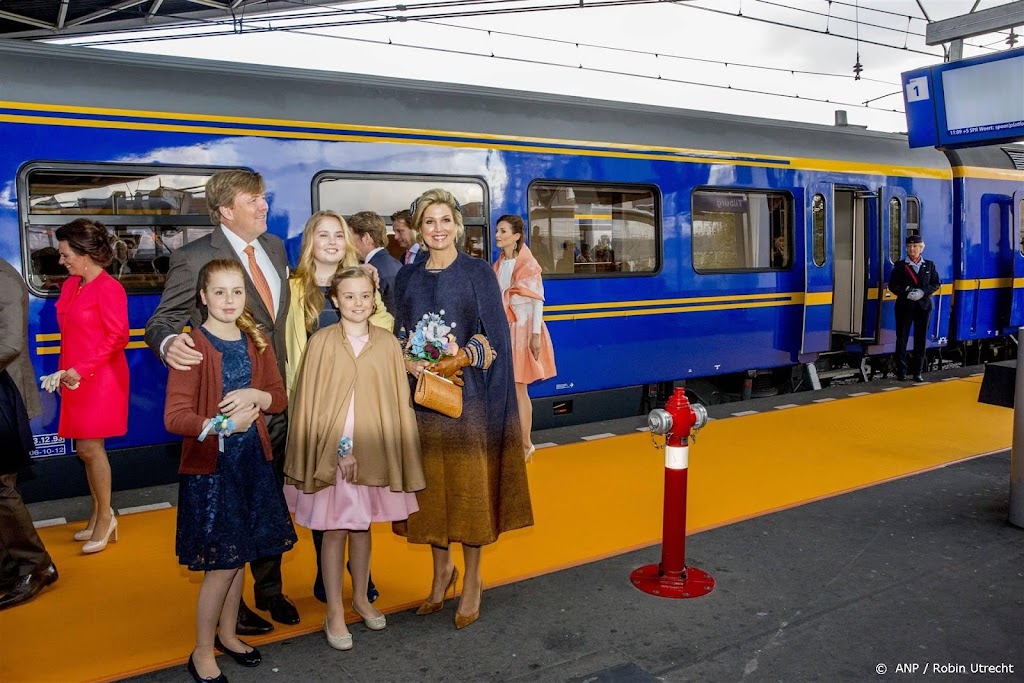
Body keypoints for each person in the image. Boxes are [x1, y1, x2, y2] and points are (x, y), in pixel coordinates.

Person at [145, 169, 297, 634]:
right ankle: (235, 607)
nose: (264, 206)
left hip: (270, 398)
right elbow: (162, 320)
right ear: (226, 209)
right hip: (226, 413)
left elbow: (277, 322)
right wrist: (168, 343)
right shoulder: (193, 257)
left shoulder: (274, 247)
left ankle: (269, 589)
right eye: (254, 199)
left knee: (267, 497)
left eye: (263, 197)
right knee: (229, 510)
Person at [395, 189, 533, 629]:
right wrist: (410, 361)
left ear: (457, 226)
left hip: (469, 401)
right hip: (422, 402)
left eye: (445, 220)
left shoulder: (477, 273)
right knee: (431, 492)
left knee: (470, 491)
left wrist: (460, 358)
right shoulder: (406, 277)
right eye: (429, 221)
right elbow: (399, 335)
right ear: (419, 229)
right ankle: (442, 574)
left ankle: (472, 579)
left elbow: (494, 338)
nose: (438, 229)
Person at [165, 259, 296, 683]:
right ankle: (202, 651)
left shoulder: (256, 340)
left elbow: (278, 398)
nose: (228, 300)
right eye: (219, 292)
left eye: (236, 292)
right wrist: (223, 424)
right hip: (213, 472)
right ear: (203, 296)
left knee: (240, 556)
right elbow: (175, 417)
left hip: (251, 463)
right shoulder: (192, 346)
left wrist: (256, 395)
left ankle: (227, 634)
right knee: (222, 565)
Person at [284, 267, 424, 650]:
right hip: (334, 457)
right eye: (349, 296)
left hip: (372, 455)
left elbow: (394, 405)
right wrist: (338, 450)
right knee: (334, 530)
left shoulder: (387, 345)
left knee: (361, 528)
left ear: (374, 299)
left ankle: (360, 598)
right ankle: (333, 611)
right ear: (334, 299)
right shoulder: (321, 343)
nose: (358, 303)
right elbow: (312, 406)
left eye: (365, 295)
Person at [284, 210, 392, 605]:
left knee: (359, 489)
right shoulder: (293, 289)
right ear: (309, 242)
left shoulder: (362, 281)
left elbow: (384, 322)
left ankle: (362, 576)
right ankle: (324, 570)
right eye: (322, 234)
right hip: (316, 404)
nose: (331, 242)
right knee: (323, 490)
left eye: (337, 234)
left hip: (359, 405)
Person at [48, 219, 129, 555]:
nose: (61, 260)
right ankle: (98, 514)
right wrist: (63, 373)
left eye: (66, 254)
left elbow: (118, 337)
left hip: (101, 379)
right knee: (85, 451)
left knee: (91, 449)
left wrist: (79, 370)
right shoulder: (72, 285)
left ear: (84, 254)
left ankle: (106, 518)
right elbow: (69, 336)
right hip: (74, 377)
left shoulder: (109, 288)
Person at [0, 257, 57, 610]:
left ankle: (35, 564)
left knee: (2, 485)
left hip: (6, 398)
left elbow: (10, 343)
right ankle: (9, 567)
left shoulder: (3, 278)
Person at [493, 215, 557, 461]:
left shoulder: (529, 264)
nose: (497, 235)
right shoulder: (499, 263)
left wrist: (535, 336)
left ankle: (526, 444)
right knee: (511, 388)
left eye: (503, 231)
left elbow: (537, 301)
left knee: (519, 388)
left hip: (522, 329)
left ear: (516, 236)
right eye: (498, 230)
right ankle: (516, 441)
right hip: (506, 329)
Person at [887, 234, 940, 381]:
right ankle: (901, 372)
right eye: (909, 246)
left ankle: (917, 372)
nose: (912, 249)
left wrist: (923, 292)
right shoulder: (900, 266)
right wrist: (906, 293)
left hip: (924, 306)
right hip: (905, 306)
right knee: (902, 338)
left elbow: (936, 283)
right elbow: (893, 285)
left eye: (915, 246)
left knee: (920, 339)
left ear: (921, 248)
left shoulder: (929, 265)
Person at [349, 211, 403, 315]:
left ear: (366, 238)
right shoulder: (397, 264)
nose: (348, 244)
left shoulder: (373, 272)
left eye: (350, 239)